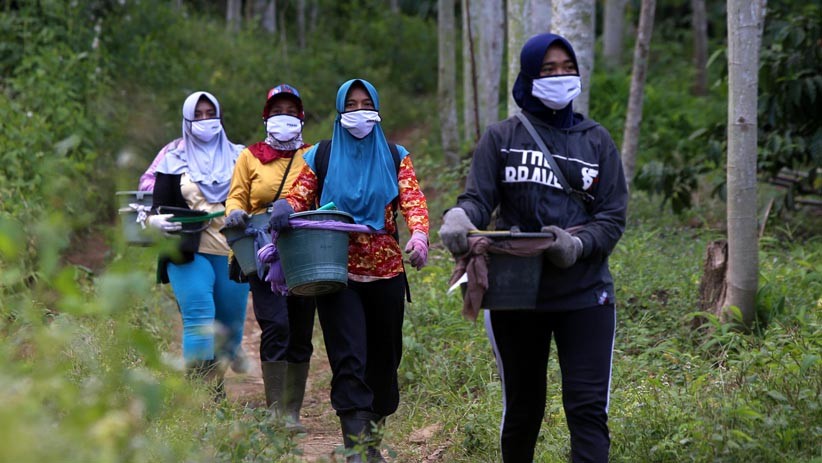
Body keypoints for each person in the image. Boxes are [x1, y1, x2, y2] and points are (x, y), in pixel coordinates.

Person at [439, 33, 628, 463]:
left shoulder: (597, 141)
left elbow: (612, 217)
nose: (560, 76)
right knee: (523, 411)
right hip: (515, 294)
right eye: (548, 69)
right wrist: (459, 217)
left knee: (587, 410)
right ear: (528, 76)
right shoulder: (501, 137)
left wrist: (577, 245)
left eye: (567, 67)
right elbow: (478, 199)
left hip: (585, 294)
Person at [268, 78, 429, 462]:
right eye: (351, 105)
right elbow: (299, 194)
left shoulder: (395, 156)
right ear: (340, 112)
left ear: (376, 109)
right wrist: (285, 208)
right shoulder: (320, 156)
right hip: (336, 270)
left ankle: (373, 439)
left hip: (387, 273)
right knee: (348, 357)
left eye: (365, 103)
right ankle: (357, 450)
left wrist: (420, 233)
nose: (358, 111)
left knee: (384, 358)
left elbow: (413, 199)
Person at [146, 91, 249, 398]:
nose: (205, 120)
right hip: (187, 250)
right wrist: (153, 220)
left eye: (210, 113)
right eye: (198, 115)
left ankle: (221, 368)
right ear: (187, 121)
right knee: (199, 317)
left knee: (229, 325)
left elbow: (255, 198)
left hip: (232, 251)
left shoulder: (240, 156)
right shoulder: (172, 160)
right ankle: (202, 396)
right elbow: (159, 205)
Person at [224, 84, 315, 431]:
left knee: (300, 327)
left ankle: (293, 410)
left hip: (305, 246)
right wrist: (234, 213)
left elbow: (320, 194)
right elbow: (236, 198)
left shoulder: (313, 154)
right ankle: (276, 409)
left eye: (291, 111)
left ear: (302, 118)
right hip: (263, 249)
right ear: (266, 117)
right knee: (276, 324)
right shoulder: (250, 156)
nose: (285, 118)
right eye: (278, 111)